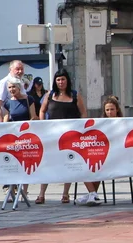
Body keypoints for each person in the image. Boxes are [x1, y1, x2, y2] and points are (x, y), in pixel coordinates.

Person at [39, 69, 98, 206]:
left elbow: (83, 113)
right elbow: (42, 111)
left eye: (63, 79)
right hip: (53, 136)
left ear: (67, 80)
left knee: (71, 162)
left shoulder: (75, 95)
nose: (61, 82)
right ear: (55, 81)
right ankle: (41, 194)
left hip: (71, 136)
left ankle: (65, 193)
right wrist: (43, 125)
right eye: (58, 79)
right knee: (48, 163)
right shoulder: (50, 95)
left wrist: (81, 129)